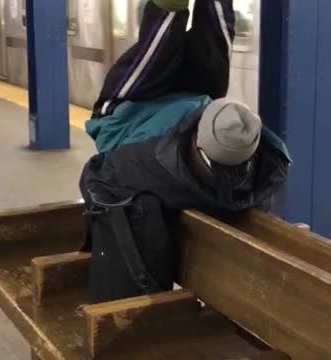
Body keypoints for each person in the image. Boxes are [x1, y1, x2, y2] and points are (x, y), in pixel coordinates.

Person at [79, 0, 291, 302]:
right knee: (211, 50)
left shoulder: (149, 162)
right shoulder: (255, 176)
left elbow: (98, 171)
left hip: (131, 119)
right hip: (192, 109)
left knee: (156, 50)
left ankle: (169, 8)